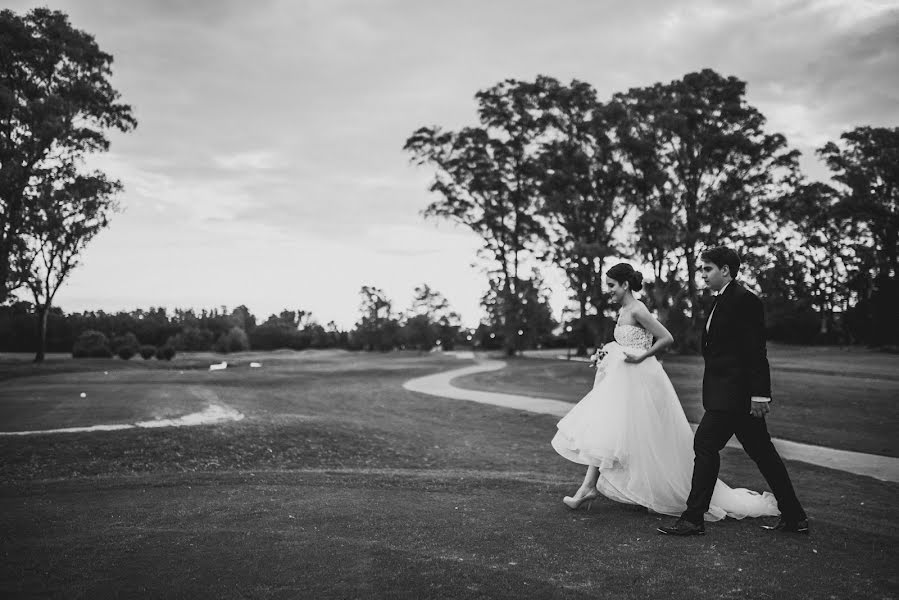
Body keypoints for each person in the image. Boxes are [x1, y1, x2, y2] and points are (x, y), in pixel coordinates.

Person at [551, 262, 779, 524]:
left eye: (612, 286)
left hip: (640, 382)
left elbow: (666, 338)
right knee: (614, 433)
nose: (609, 291)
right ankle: (592, 488)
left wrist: (641, 357)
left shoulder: (638, 309)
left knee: (633, 434)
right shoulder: (623, 309)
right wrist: (606, 353)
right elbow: (626, 342)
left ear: (625, 285)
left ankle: (615, 490)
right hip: (623, 382)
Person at [658, 247, 808, 536]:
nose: (703, 273)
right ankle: (794, 516)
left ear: (725, 270)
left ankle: (693, 519)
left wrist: (760, 394)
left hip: (734, 395)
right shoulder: (722, 300)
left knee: (704, 445)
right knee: (763, 453)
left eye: (708, 268)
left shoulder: (744, 300)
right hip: (727, 393)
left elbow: (755, 350)